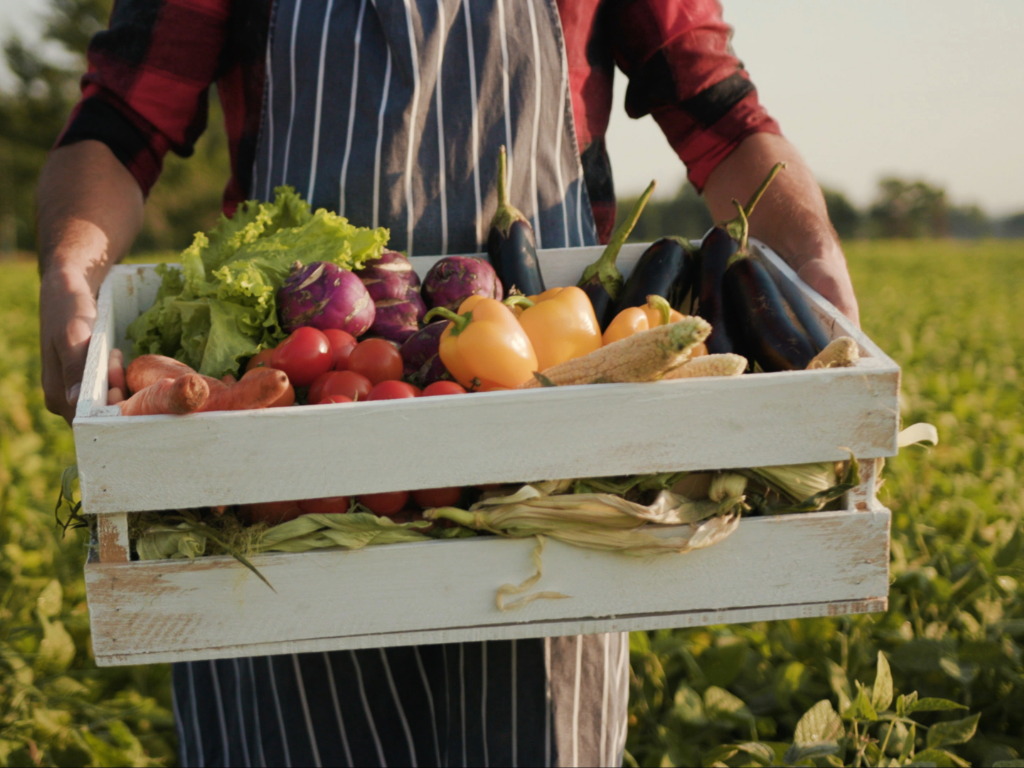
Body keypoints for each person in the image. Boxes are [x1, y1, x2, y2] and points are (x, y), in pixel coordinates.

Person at [37, 0, 860, 765]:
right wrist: (73, 268)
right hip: (291, 458)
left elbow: (719, 110)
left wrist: (815, 257)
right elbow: (121, 121)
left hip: (551, 472)